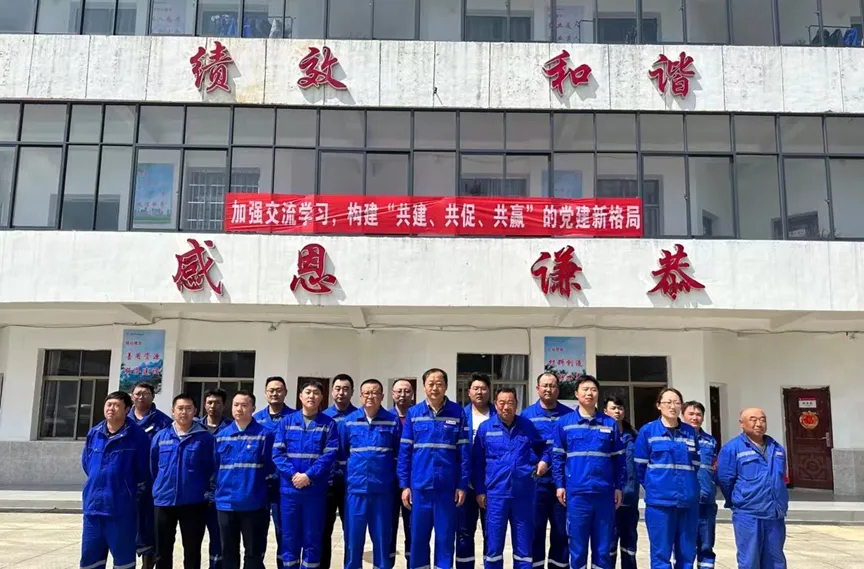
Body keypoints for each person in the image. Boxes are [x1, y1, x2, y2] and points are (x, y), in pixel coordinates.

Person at [398, 368, 470, 569]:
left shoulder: (457, 412)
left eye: (439, 384)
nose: (435, 388)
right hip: (419, 487)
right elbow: (405, 452)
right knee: (418, 538)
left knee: (445, 538)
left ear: (446, 386)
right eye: (431, 384)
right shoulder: (414, 413)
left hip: (446, 488)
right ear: (424, 387)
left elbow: (464, 453)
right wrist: (404, 485)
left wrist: (462, 485)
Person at [473, 388, 549, 569]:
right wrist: (480, 490)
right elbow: (477, 463)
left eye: (510, 403)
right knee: (493, 546)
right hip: (495, 495)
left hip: (523, 495)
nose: (506, 407)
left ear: (516, 404)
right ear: (496, 404)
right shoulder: (486, 428)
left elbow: (544, 448)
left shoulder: (527, 426)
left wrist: (544, 461)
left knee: (524, 547)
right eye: (501, 403)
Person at [552, 376, 624, 569]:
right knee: (577, 548)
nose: (589, 393)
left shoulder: (609, 424)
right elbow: (557, 458)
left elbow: (619, 459)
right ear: (576, 394)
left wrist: (619, 486)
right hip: (577, 494)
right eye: (585, 389)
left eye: (593, 389)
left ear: (598, 394)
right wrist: (559, 485)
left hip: (604, 494)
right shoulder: (564, 423)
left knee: (603, 549)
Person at [273, 380, 339, 569]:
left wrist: (308, 476)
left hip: (314, 491)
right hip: (290, 492)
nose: (311, 396)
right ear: (300, 396)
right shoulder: (286, 422)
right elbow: (277, 453)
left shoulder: (329, 424)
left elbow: (329, 455)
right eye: (308, 392)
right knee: (289, 538)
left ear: (322, 398)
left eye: (316, 393)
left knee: (313, 539)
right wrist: (294, 475)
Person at [80, 391, 150, 569]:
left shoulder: (137, 436)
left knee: (123, 560)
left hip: (121, 509)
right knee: (90, 558)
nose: (111, 408)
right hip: (93, 507)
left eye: (117, 405)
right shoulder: (94, 433)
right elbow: (87, 463)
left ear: (127, 409)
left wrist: (127, 490)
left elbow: (143, 471)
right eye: (108, 404)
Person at [634, 388, 700, 569]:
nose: (672, 406)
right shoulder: (648, 431)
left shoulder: (689, 432)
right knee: (661, 555)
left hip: (688, 502)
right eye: (668, 402)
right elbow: (640, 466)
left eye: (677, 403)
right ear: (658, 405)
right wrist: (654, 486)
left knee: (687, 555)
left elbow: (695, 463)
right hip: (660, 503)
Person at [341, 379, 402, 569]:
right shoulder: (349, 421)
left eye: (375, 393)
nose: (370, 396)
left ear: (382, 396)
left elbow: (399, 454)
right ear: (360, 396)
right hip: (355, 491)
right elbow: (342, 454)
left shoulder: (392, 421)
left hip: (382, 491)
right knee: (353, 542)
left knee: (382, 542)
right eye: (366, 393)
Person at [717, 408, 789, 569]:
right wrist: (739, 500)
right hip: (748, 514)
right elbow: (725, 480)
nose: (759, 424)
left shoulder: (776, 448)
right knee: (749, 561)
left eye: (762, 419)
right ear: (741, 424)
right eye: (753, 419)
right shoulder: (732, 448)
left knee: (776, 561)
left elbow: (781, 478)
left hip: (774, 514)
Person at [151, 394, 215, 569]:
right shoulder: (161, 436)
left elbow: (211, 468)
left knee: (192, 551)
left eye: (188, 408)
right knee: (162, 551)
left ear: (195, 411)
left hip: (193, 502)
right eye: (180, 408)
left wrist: (207, 494)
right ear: (173, 411)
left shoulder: (205, 438)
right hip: (164, 501)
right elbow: (153, 467)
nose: (184, 412)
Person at [214, 390, 275, 569]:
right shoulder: (221, 436)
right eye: (236, 405)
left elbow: (271, 469)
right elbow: (214, 468)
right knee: (228, 553)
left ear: (253, 408)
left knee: (254, 553)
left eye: (244, 405)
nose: (239, 409)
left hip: (253, 504)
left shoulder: (264, 435)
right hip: (226, 504)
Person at [520, 372, 573, 569]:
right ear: (537, 389)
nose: (548, 389)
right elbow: (522, 447)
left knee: (561, 533)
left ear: (558, 389)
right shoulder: (527, 416)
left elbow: (568, 446)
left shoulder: (568, 416)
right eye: (545, 386)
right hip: (536, 483)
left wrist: (547, 459)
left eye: (552, 386)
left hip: (562, 484)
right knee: (535, 531)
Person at [252, 376, 295, 569]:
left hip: (284, 483)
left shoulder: (294, 418)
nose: (275, 393)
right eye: (271, 390)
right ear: (265, 393)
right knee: (257, 529)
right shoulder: (257, 419)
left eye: (279, 390)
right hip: (260, 483)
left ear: (285, 392)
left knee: (284, 530)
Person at [130, 381, 173, 569]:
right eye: (138, 393)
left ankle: (148, 563)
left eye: (146, 393)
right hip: (126, 483)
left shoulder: (163, 422)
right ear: (132, 396)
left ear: (153, 397)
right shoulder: (123, 419)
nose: (141, 397)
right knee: (127, 527)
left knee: (150, 527)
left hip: (152, 484)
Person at [457, 373, 495, 569]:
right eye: (476, 388)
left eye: (483, 388)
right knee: (464, 533)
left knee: (491, 533)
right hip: (465, 485)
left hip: (491, 484)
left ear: (489, 391)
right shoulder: (460, 415)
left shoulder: (498, 415)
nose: (480, 392)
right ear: (469, 391)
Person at [321, 373, 358, 569]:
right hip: (326, 483)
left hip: (350, 483)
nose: (341, 392)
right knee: (323, 531)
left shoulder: (358, 417)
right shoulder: (323, 417)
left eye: (345, 389)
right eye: (337, 388)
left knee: (351, 531)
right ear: (332, 391)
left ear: (352, 392)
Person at [197, 388, 232, 569]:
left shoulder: (231, 428)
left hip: (220, 491)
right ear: (204, 405)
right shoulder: (194, 427)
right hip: (195, 491)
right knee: (193, 538)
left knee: (218, 537)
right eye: (210, 402)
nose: (213, 406)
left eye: (217, 403)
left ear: (224, 405)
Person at [604, 396, 639, 569]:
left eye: (620, 408)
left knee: (629, 544)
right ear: (605, 411)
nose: (617, 411)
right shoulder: (602, 434)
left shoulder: (633, 436)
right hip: (608, 498)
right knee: (609, 543)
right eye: (613, 408)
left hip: (630, 497)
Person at [683, 401, 719, 569]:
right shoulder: (678, 438)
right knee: (684, 546)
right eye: (691, 414)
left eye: (698, 414)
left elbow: (715, 468)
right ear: (683, 415)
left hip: (706, 502)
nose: (695, 418)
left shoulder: (710, 441)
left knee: (706, 546)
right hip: (685, 502)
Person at [390, 378, 416, 565]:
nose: (402, 395)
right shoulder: (385, 418)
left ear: (412, 395)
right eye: (399, 391)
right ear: (392, 394)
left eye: (407, 391)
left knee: (413, 528)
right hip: (389, 483)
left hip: (413, 481)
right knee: (388, 529)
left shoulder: (417, 417)